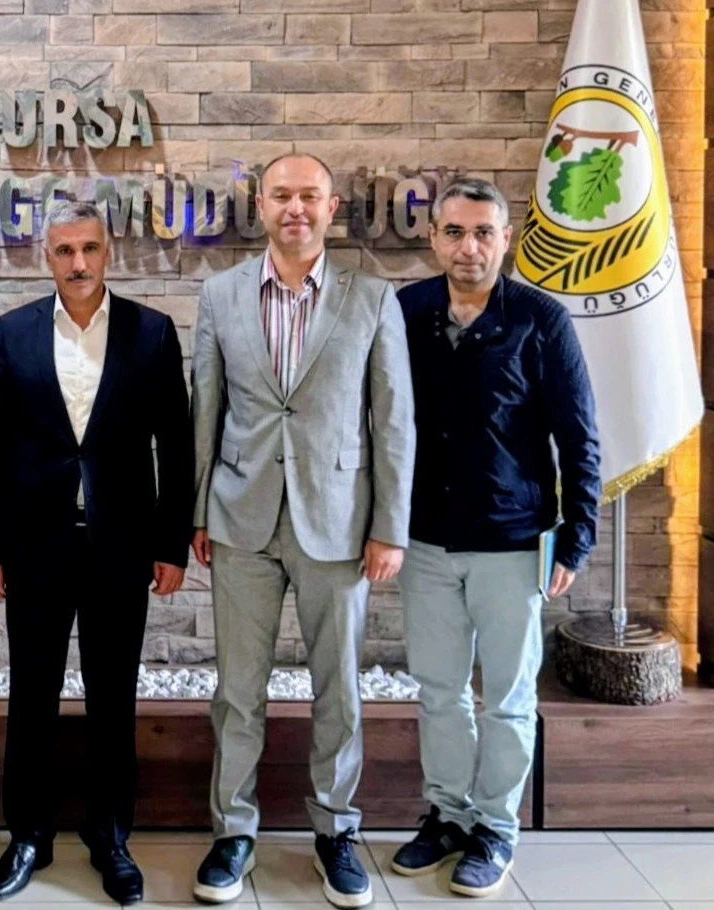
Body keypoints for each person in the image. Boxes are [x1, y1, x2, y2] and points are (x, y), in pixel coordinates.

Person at [190, 154, 415, 909]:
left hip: (340, 522)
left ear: (331, 206)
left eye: (308, 196)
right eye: (281, 195)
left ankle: (337, 831)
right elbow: (204, 409)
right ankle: (233, 833)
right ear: (260, 206)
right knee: (237, 691)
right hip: (241, 518)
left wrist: (389, 527)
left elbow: (394, 422)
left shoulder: (372, 298)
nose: (295, 208)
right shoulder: (220, 294)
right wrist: (197, 512)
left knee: (339, 689)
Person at [0, 201, 193, 905]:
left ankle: (110, 836)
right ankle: (28, 835)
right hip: (35, 544)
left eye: (89, 249)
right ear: (47, 256)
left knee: (114, 697)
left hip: (120, 546)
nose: (77, 263)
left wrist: (171, 543)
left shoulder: (151, 333)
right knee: (30, 696)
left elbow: (177, 445)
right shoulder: (13, 334)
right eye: (64, 250)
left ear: (108, 252)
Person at [392, 178, 601, 898]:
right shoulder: (406, 311)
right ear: (433, 239)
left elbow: (578, 434)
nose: (468, 247)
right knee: (440, 691)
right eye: (454, 232)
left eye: (483, 232)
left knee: (508, 697)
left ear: (504, 239)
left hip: (512, 543)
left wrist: (577, 536)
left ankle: (495, 827)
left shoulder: (541, 320)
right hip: (424, 540)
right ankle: (448, 816)